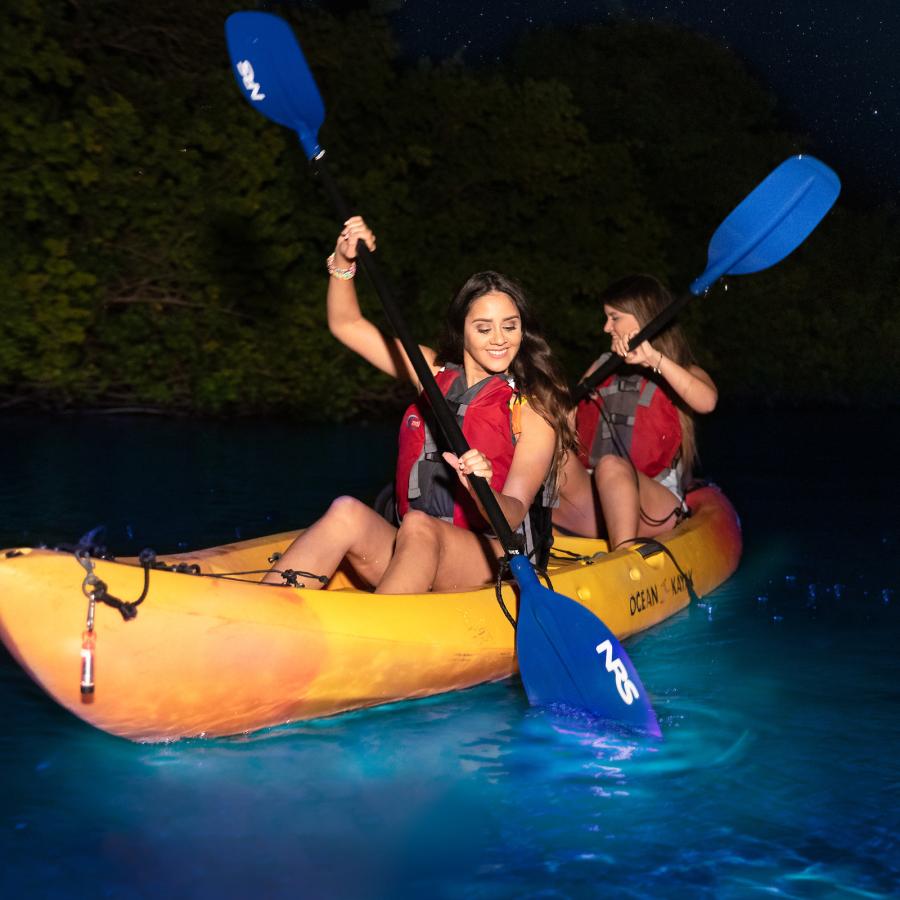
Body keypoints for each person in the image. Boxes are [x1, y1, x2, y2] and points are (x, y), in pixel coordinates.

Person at [264, 217, 575, 593]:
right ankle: (267, 611)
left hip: (491, 559)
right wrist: (344, 262)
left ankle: (378, 636)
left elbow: (511, 515)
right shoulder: (430, 372)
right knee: (346, 510)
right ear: (462, 329)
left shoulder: (534, 410)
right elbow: (346, 325)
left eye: (510, 326)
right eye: (484, 327)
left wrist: (482, 488)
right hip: (416, 549)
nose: (499, 339)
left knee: (418, 526)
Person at [553, 274, 717, 549]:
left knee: (611, 466)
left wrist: (652, 358)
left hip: (654, 505)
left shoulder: (681, 370)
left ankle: (623, 558)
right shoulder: (601, 367)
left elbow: (707, 402)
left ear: (644, 317)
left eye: (614, 317)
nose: (606, 327)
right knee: (549, 456)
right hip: (595, 502)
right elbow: (568, 427)